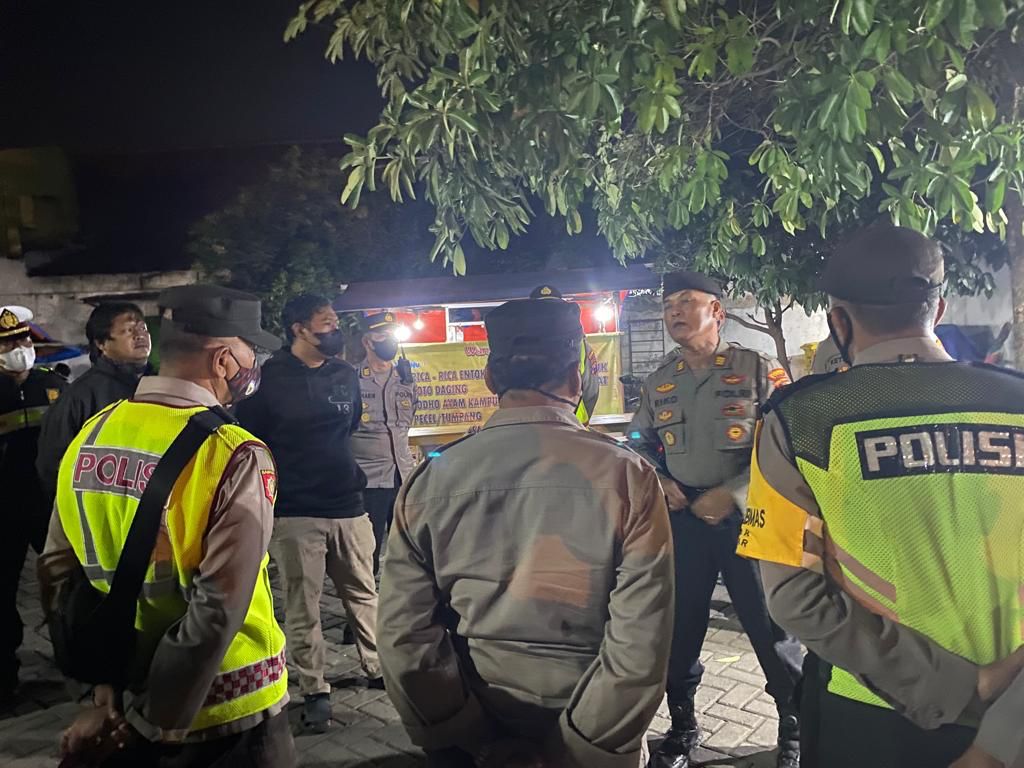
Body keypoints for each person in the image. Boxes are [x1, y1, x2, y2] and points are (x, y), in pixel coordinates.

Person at [737, 225, 1024, 768]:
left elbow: (794, 599)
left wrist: (954, 685)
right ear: (937, 310)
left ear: (839, 323)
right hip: (1014, 714)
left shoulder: (799, 422)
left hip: (868, 715)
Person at [378, 296, 674, 768]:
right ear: (576, 379)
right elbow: (642, 641)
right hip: (593, 727)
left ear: (490, 378)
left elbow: (403, 634)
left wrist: (470, 736)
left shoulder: (431, 480)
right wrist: (580, 745)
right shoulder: (629, 477)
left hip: (473, 731)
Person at [37, 284, 295, 767]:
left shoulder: (93, 431)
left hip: (125, 688)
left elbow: (56, 568)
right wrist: (155, 723)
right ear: (223, 360)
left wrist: (103, 691)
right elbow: (218, 609)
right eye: (250, 351)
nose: (254, 364)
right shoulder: (234, 453)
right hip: (228, 710)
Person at [629, 271, 802, 768]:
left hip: (750, 520)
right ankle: (683, 727)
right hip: (683, 520)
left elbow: (789, 441)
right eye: (668, 305)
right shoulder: (659, 380)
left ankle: (794, 729)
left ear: (717, 312)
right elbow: (638, 442)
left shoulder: (758, 370)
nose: (674, 312)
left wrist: (734, 492)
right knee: (679, 627)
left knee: (771, 627)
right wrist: (660, 479)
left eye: (686, 301)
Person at [235, 293, 381, 734]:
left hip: (348, 505)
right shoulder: (268, 379)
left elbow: (349, 425)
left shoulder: (344, 374)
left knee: (364, 593)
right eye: (327, 323)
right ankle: (315, 689)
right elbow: (253, 439)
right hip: (296, 511)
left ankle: (378, 667)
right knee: (303, 604)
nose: (335, 330)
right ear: (299, 328)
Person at [0, 305, 67, 700]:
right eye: (7, 343)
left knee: (65, 583)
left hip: (49, 504)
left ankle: (73, 657)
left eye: (22, 339)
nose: (18, 348)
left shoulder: (55, 385)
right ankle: (4, 675)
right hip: (4, 508)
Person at [36, 302, 152, 502]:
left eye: (143, 328)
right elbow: (52, 465)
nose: (140, 335)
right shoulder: (80, 396)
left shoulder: (160, 384)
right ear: (101, 344)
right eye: (128, 330)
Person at [351, 311, 418, 575]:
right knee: (369, 549)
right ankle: (367, 592)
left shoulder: (404, 378)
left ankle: (406, 593)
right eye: (382, 335)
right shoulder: (352, 379)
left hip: (403, 475)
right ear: (368, 342)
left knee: (411, 548)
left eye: (392, 335)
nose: (389, 341)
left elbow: (407, 420)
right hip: (369, 478)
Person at [529, 284, 600, 424]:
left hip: (532, 426)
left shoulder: (517, 343)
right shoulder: (580, 344)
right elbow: (591, 391)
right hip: (572, 424)